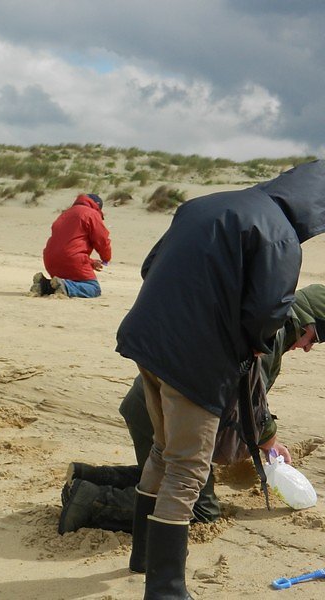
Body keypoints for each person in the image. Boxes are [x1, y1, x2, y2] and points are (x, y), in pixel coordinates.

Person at [115, 161, 325, 598]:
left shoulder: (205, 205)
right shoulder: (280, 236)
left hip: (148, 337)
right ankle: (166, 589)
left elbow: (151, 265)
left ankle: (143, 556)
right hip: (195, 360)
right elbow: (268, 311)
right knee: (187, 468)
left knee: (162, 450)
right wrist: (251, 342)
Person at [59, 284, 325, 534]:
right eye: (313, 339)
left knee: (165, 475)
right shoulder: (271, 334)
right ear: (305, 321)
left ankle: (89, 476)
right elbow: (248, 405)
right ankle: (90, 501)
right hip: (173, 412)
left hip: (150, 399)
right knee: (198, 508)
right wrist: (269, 442)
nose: (307, 349)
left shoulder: (257, 313)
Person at [31, 192, 111, 298]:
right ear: (97, 206)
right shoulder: (91, 213)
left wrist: (91, 262)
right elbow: (102, 239)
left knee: (64, 281)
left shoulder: (65, 213)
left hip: (50, 259)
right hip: (72, 260)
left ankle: (44, 285)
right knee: (93, 288)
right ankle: (66, 286)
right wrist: (106, 258)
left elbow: (68, 246)